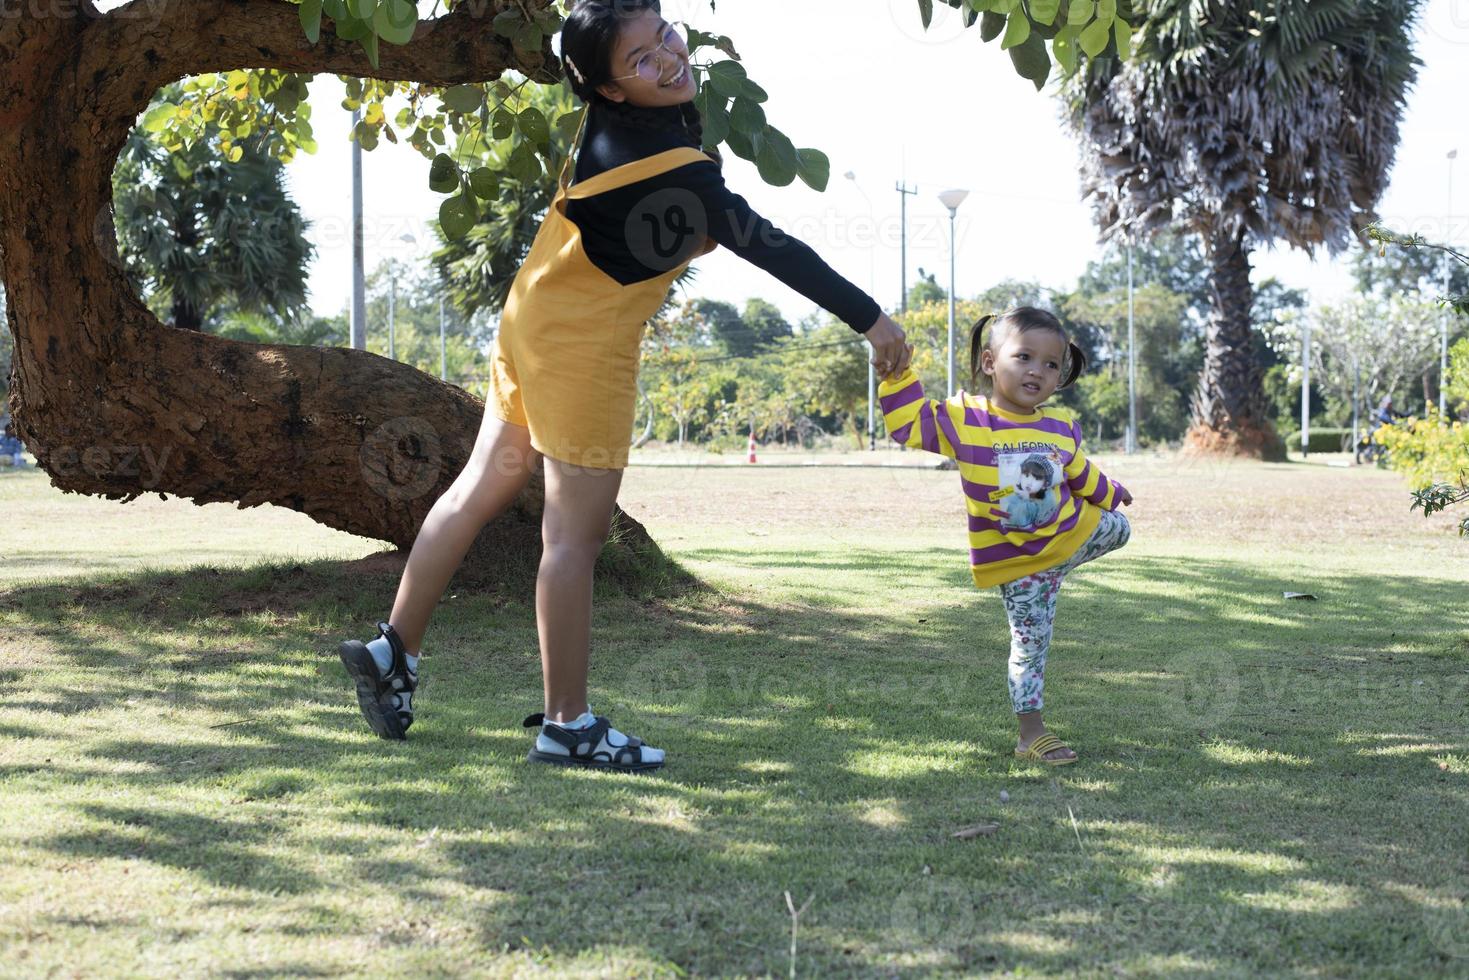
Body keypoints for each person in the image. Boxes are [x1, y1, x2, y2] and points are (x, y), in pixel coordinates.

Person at [337, 0, 911, 771]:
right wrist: (870, 318)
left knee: (478, 490)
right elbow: (769, 247)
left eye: (664, 36)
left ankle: (391, 650)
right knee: (572, 538)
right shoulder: (673, 162)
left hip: (530, 316)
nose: (668, 58)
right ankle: (567, 724)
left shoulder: (620, 129)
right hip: (581, 343)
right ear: (607, 88)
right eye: (641, 58)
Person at [878, 307, 1131, 766]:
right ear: (992, 363)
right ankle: (1030, 735)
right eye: (1025, 357)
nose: (1038, 370)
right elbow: (907, 423)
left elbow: (1080, 472)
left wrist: (1112, 491)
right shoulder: (966, 418)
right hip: (1021, 569)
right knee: (1030, 648)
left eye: (1051, 364)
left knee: (1121, 528)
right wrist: (898, 376)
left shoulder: (1058, 427)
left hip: (1070, 536)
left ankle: (1067, 552)